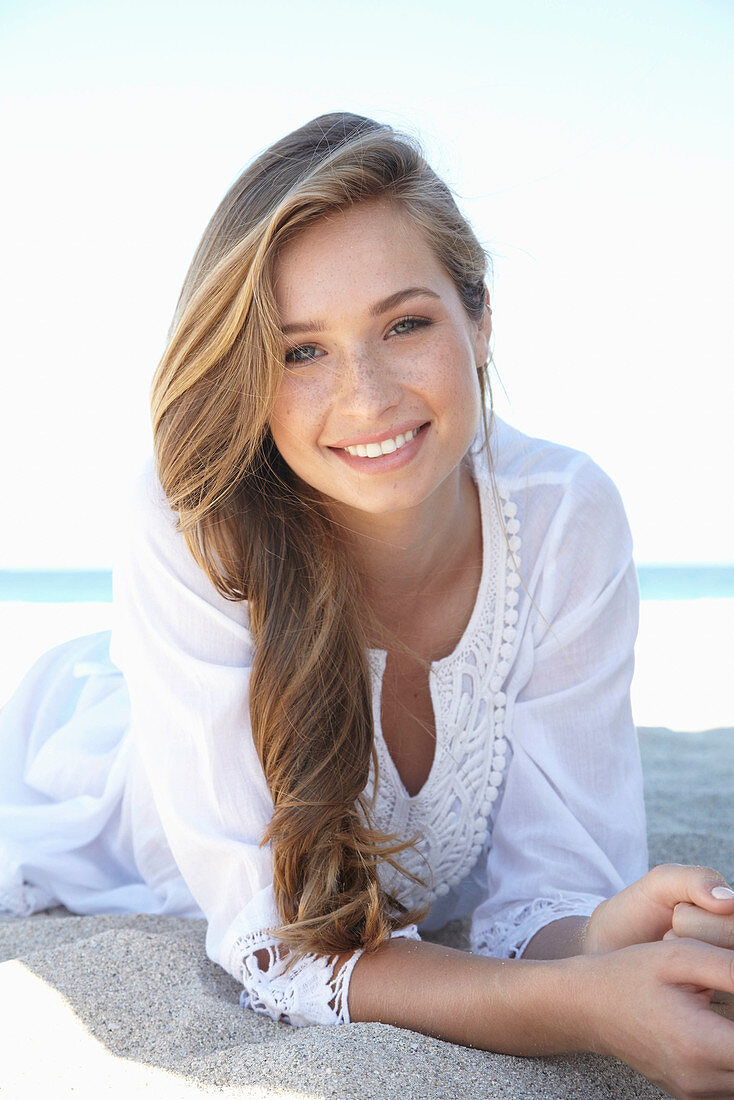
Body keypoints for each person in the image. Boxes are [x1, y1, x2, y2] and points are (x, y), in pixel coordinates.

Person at [1, 112, 733, 1098]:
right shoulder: (193, 521)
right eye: (301, 351)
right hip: (85, 766)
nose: (367, 394)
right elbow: (281, 953)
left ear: (477, 318)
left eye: (404, 324)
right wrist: (590, 1001)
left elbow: (542, 896)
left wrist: (605, 936)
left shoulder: (564, 516)